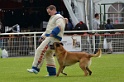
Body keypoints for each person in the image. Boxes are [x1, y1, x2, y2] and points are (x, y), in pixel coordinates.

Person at [27, 5, 66, 76]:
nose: (48, 14)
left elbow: (60, 26)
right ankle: (52, 73)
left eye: (49, 12)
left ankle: (35, 67)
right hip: (53, 37)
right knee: (49, 54)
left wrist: (52, 34)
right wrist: (43, 36)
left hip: (53, 38)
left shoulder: (58, 17)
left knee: (40, 50)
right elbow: (49, 30)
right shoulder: (54, 17)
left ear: (53, 9)